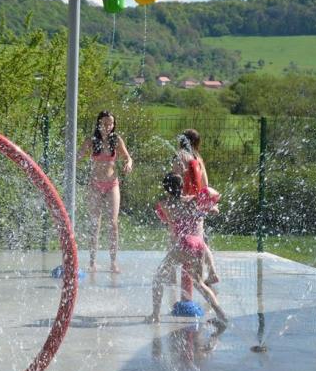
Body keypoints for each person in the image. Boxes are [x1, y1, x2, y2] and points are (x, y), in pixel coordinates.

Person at [148, 174, 227, 325]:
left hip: (184, 243)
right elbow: (214, 199)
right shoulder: (195, 200)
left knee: (158, 278)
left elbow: (165, 219)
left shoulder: (165, 204)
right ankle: (222, 315)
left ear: (166, 189)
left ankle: (155, 315)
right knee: (199, 283)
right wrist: (211, 206)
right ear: (182, 185)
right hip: (199, 245)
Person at [77, 111, 133, 273]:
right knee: (95, 223)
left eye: (111, 124)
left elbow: (128, 157)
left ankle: (113, 262)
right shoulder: (91, 140)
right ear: (98, 123)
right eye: (105, 123)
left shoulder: (117, 140)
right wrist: (76, 158)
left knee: (113, 223)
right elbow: (78, 155)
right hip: (94, 184)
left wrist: (128, 163)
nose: (108, 127)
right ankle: (92, 261)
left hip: (112, 184)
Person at [172, 130, 220, 288]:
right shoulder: (198, 158)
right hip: (199, 202)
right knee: (199, 240)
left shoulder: (180, 156)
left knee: (176, 236)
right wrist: (209, 202)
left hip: (185, 202)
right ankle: (211, 272)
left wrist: (175, 198)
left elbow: (176, 181)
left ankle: (172, 274)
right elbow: (205, 182)